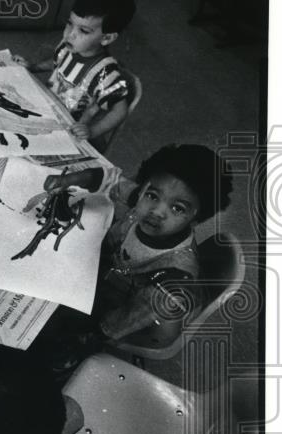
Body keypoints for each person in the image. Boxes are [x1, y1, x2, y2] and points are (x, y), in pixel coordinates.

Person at [29, 143, 233, 372]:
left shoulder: (172, 282)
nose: (157, 211)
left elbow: (113, 326)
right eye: (153, 195)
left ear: (197, 218)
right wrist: (70, 180)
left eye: (177, 208)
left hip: (122, 307)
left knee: (50, 337)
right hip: (108, 274)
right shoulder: (143, 199)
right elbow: (110, 181)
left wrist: (79, 325)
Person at [15, 0, 137, 150]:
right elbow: (57, 62)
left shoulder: (105, 74)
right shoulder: (68, 47)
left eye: (83, 31)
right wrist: (33, 67)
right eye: (69, 23)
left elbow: (120, 111)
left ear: (107, 38)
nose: (70, 34)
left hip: (70, 133)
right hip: (45, 112)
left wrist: (92, 131)